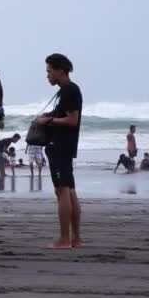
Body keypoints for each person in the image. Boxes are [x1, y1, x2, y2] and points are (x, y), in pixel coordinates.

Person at [36, 53, 83, 250]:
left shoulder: (69, 91)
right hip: (66, 146)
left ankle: (64, 239)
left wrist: (47, 121)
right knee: (70, 190)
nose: (47, 75)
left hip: (60, 146)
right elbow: (67, 115)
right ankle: (76, 239)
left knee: (61, 190)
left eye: (49, 71)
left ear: (60, 71)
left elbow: (72, 120)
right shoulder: (68, 91)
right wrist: (52, 115)